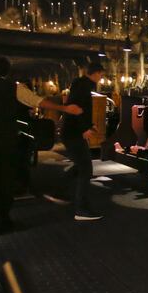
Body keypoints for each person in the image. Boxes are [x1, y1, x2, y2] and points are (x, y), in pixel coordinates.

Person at [0, 56, 82, 234]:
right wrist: (66, 109)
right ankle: (4, 220)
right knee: (6, 179)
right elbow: (38, 101)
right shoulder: (14, 87)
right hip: (6, 138)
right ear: (7, 71)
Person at [44, 62, 106, 221]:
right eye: (101, 75)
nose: (101, 78)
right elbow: (78, 109)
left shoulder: (80, 84)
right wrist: (84, 128)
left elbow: (79, 109)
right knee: (86, 169)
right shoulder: (84, 86)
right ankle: (81, 210)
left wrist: (88, 125)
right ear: (97, 73)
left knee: (81, 166)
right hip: (74, 133)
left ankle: (56, 191)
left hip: (71, 131)